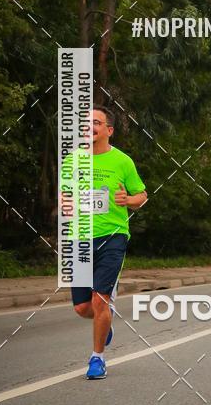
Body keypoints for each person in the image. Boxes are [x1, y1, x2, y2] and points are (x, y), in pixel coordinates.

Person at [60, 107, 147, 380]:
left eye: (95, 123)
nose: (89, 128)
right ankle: (104, 321)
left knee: (100, 300)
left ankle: (97, 358)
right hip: (80, 238)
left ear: (109, 130)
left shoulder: (123, 161)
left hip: (113, 236)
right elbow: (65, 196)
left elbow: (142, 195)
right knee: (82, 307)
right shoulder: (72, 161)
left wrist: (128, 201)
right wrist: (66, 204)